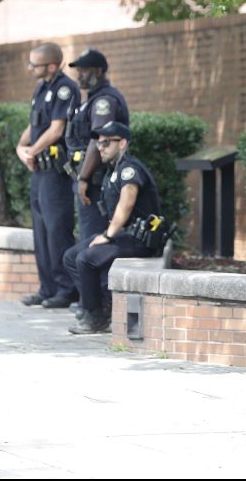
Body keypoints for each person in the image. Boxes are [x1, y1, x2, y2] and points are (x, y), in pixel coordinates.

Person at [63, 121, 162, 335]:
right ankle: (100, 306)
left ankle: (96, 318)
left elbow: (126, 203)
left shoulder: (129, 170)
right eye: (98, 144)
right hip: (123, 237)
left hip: (139, 239)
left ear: (123, 143)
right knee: (71, 257)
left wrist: (108, 235)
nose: (100, 148)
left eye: (106, 143)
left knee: (86, 258)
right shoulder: (112, 171)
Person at [16, 42, 80, 309]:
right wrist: (21, 147)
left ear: (52, 66)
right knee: (40, 232)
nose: (30, 68)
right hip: (39, 172)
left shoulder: (65, 89)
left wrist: (32, 151)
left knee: (57, 231)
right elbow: (34, 126)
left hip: (56, 173)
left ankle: (66, 291)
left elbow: (56, 130)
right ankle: (47, 289)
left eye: (35, 64)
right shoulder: (41, 88)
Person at [65, 49, 130, 241]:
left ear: (99, 71)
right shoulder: (92, 99)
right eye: (79, 69)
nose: (79, 74)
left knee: (93, 242)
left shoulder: (104, 100)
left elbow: (98, 140)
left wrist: (83, 178)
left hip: (96, 183)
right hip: (92, 181)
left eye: (84, 69)